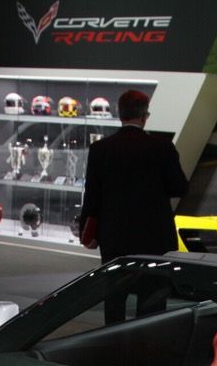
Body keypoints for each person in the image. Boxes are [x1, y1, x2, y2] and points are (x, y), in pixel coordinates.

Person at [79, 90, 188, 321]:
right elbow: (180, 187)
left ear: (120, 114)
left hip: (114, 236)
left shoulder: (100, 149)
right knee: (152, 302)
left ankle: (112, 344)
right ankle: (146, 348)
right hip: (155, 238)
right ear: (144, 116)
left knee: (114, 299)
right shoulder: (162, 147)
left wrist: (87, 232)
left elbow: (92, 195)